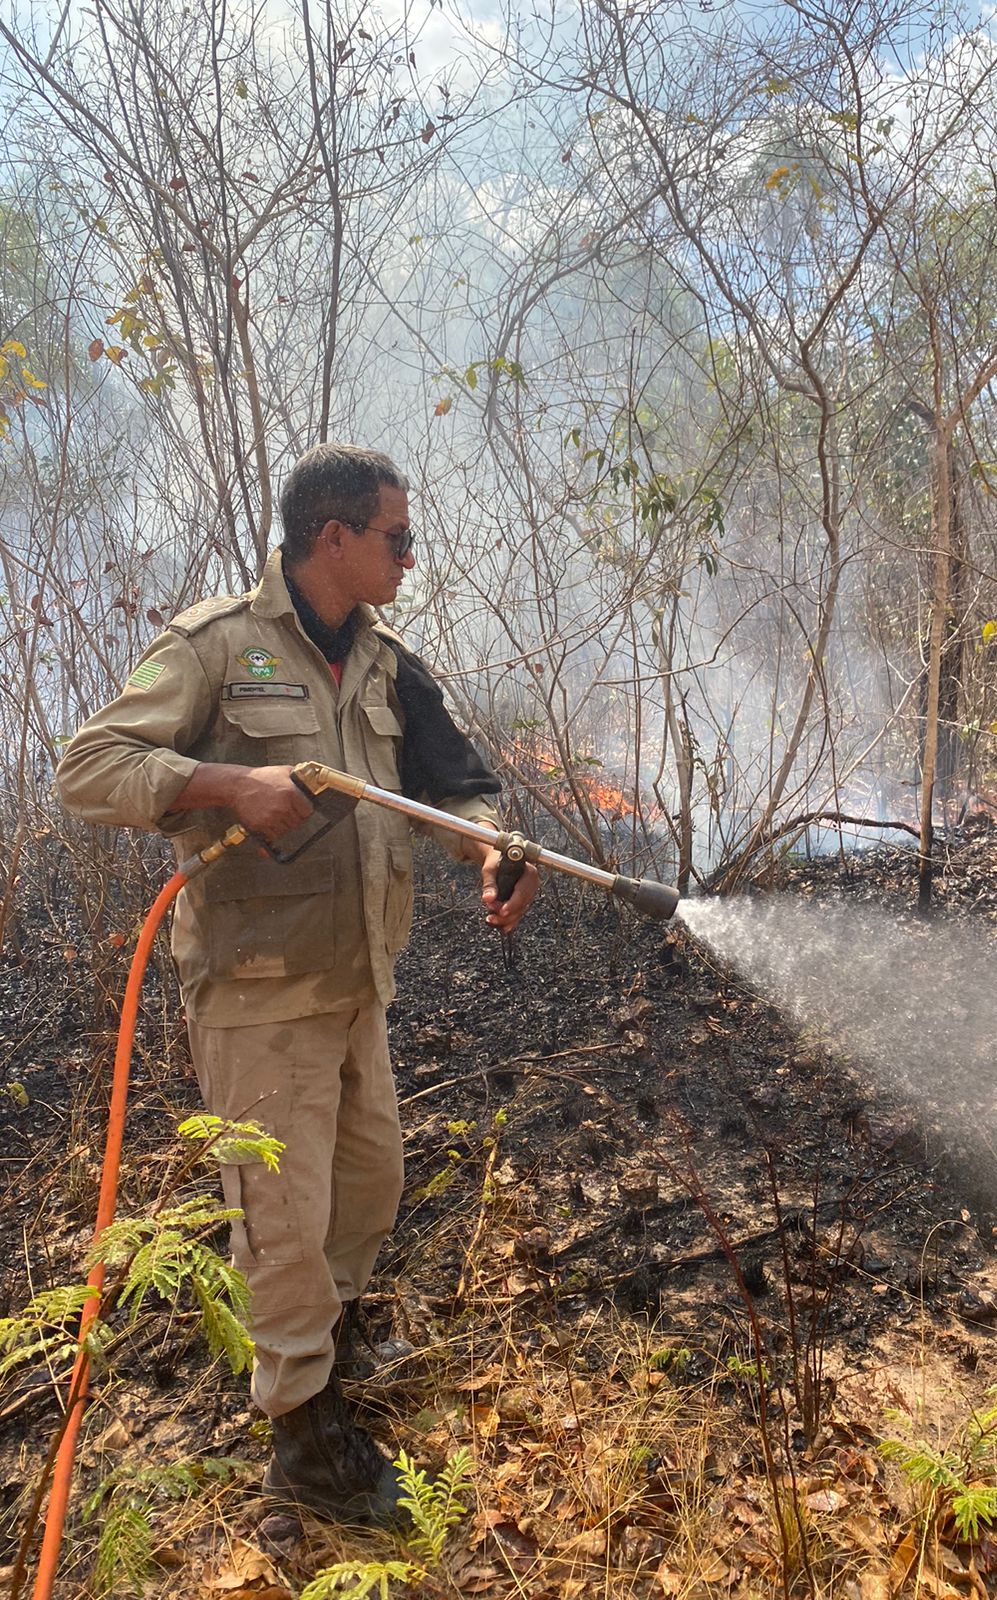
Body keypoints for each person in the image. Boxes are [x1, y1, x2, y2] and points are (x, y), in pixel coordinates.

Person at [56, 444, 538, 1525]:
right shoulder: (215, 648)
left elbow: (458, 789)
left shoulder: (387, 661)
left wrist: (497, 851)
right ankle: (302, 1443)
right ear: (336, 539)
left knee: (366, 1190)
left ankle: (332, 1345)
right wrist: (226, 782)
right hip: (258, 995)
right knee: (280, 1217)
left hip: (357, 981)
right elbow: (87, 768)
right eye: (397, 539)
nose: (410, 559)